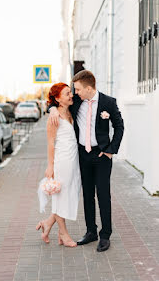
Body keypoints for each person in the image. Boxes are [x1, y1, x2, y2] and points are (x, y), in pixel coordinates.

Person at [48, 70, 124, 252]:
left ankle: (105, 235)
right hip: (83, 155)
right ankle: (91, 232)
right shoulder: (77, 102)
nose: (76, 93)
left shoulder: (108, 102)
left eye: (79, 89)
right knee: (87, 195)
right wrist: (51, 109)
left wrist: (111, 150)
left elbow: (119, 126)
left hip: (102, 155)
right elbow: (57, 103)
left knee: (103, 195)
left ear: (89, 88)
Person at [36, 83, 81, 247]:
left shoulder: (71, 111)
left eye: (70, 92)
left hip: (73, 160)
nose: (71, 96)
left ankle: (47, 223)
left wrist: (52, 107)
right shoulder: (54, 118)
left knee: (69, 194)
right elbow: (50, 143)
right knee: (60, 197)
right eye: (67, 93)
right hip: (61, 161)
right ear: (57, 99)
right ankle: (63, 234)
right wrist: (50, 166)